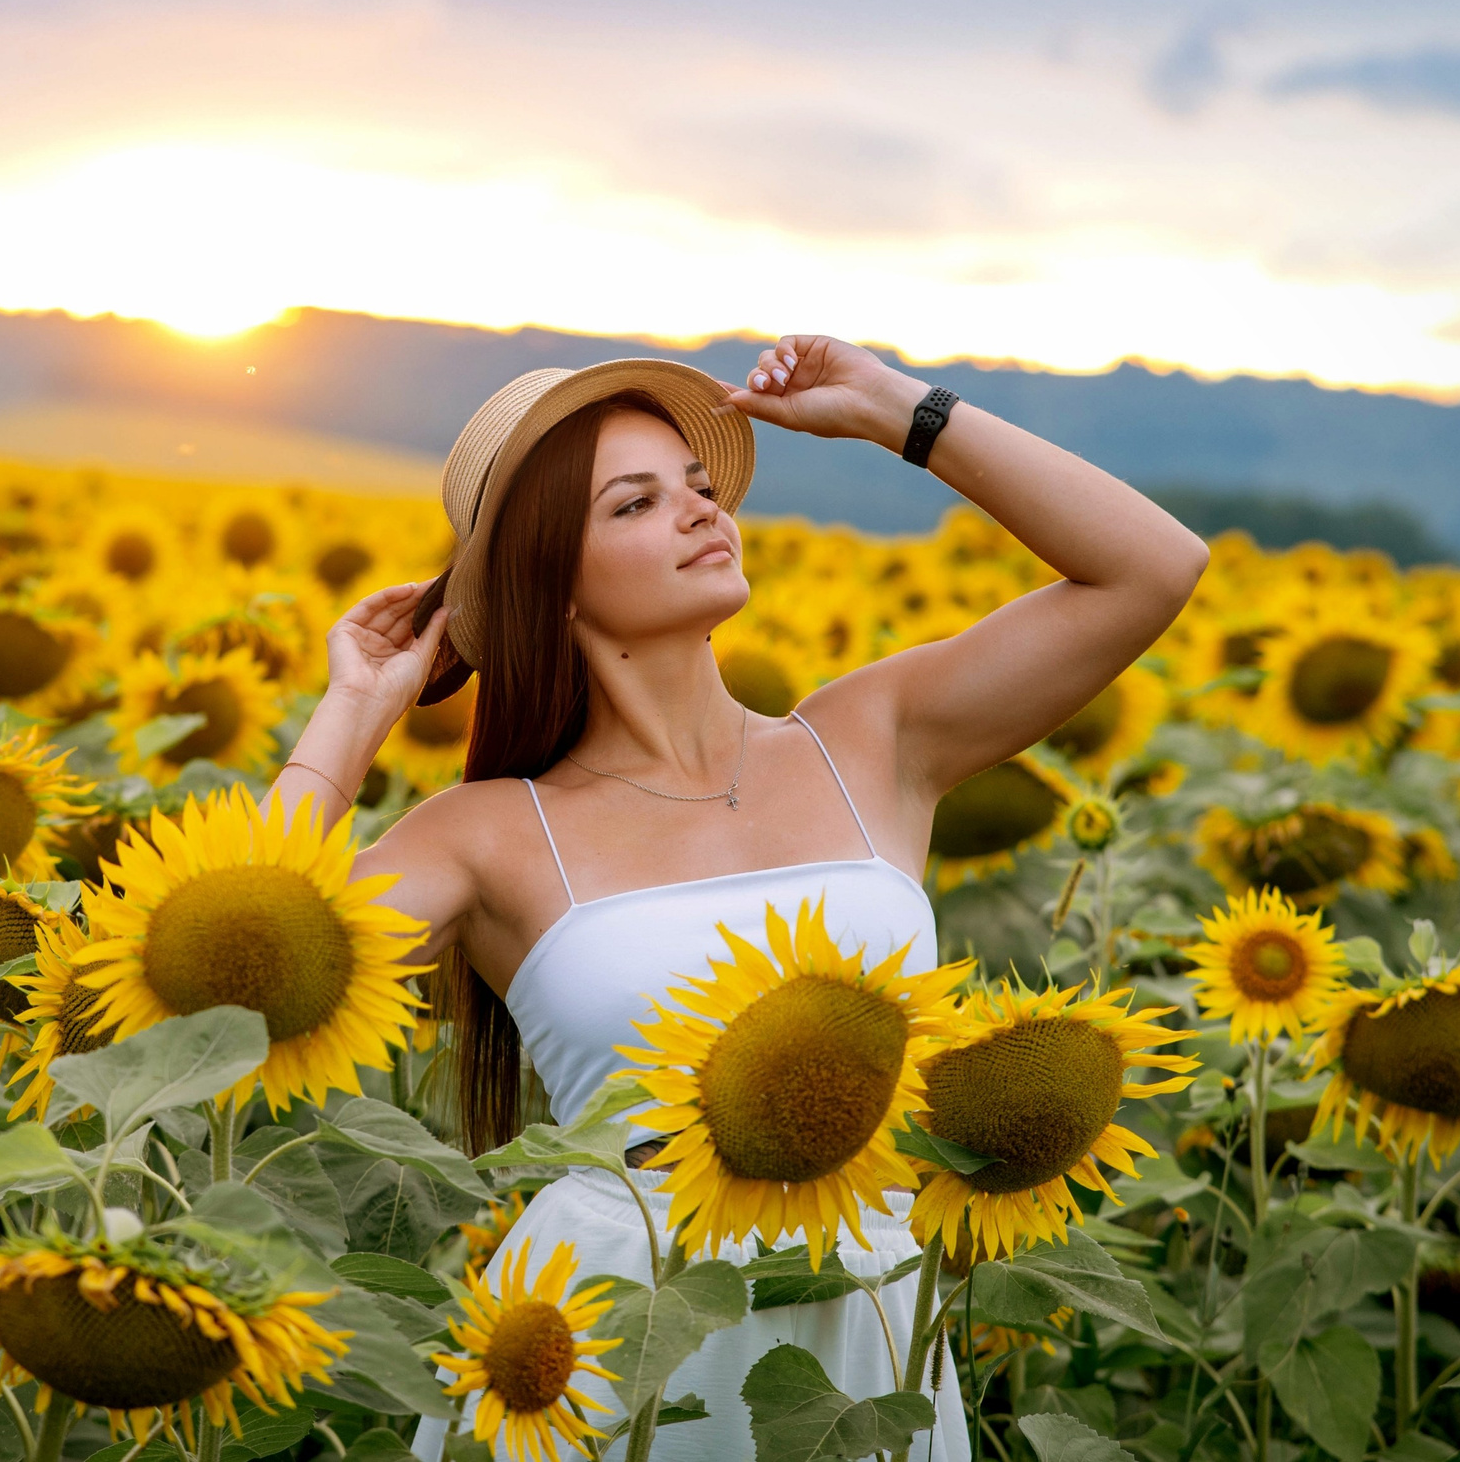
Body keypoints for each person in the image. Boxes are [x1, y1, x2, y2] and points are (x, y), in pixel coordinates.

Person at [267, 334, 1209, 1461]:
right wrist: (356, 712)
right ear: (546, 583)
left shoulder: (871, 738)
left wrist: (897, 410)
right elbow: (237, 989)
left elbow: (1151, 567)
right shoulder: (486, 833)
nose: (702, 512)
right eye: (636, 503)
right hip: (604, 1338)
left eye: (702, 488)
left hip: (859, 1324)